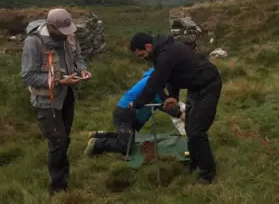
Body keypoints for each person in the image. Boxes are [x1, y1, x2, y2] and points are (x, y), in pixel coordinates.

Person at [128, 32, 223, 185]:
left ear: (148, 46)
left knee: (197, 131)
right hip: (195, 88)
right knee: (189, 126)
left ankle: (208, 173)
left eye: (142, 54)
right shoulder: (160, 53)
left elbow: (154, 84)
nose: (142, 58)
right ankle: (195, 162)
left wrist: (137, 104)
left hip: (208, 85)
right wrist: (173, 97)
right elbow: (171, 77)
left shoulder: (167, 54)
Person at [21, 8, 91, 196]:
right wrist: (60, 81)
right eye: (62, 31)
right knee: (57, 141)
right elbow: (28, 76)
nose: (66, 35)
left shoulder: (69, 37)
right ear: (51, 26)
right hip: (46, 102)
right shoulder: (33, 43)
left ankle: (63, 175)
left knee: (64, 138)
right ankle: (58, 188)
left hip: (67, 96)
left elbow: (78, 57)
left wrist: (83, 70)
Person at [83, 67, 186, 157]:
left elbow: (160, 104)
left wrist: (177, 110)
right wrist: (180, 114)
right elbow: (162, 101)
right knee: (126, 146)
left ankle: (99, 135)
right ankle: (97, 144)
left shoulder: (153, 79)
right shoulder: (153, 83)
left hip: (129, 113)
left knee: (128, 137)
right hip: (124, 113)